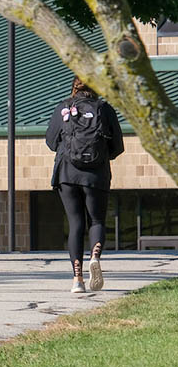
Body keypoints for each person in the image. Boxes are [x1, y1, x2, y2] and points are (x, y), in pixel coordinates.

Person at [45, 76, 123, 293]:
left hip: (67, 173)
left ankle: (77, 279)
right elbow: (118, 146)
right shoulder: (104, 109)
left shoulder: (63, 108)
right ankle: (95, 257)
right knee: (96, 220)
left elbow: (51, 142)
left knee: (75, 223)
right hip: (96, 175)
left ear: (74, 86)